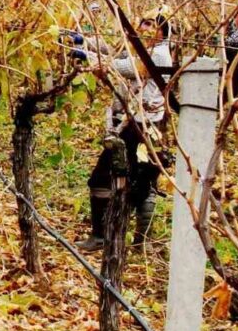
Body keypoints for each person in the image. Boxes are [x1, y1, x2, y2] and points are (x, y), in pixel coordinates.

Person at [72, 13, 173, 251]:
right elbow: (116, 51)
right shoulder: (148, 49)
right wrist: (87, 42)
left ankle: (102, 236)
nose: (142, 26)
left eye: (150, 24)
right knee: (144, 180)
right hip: (146, 124)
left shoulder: (156, 55)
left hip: (138, 127)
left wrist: (86, 55)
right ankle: (140, 241)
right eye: (143, 22)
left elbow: (123, 66)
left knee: (103, 178)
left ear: (162, 31)